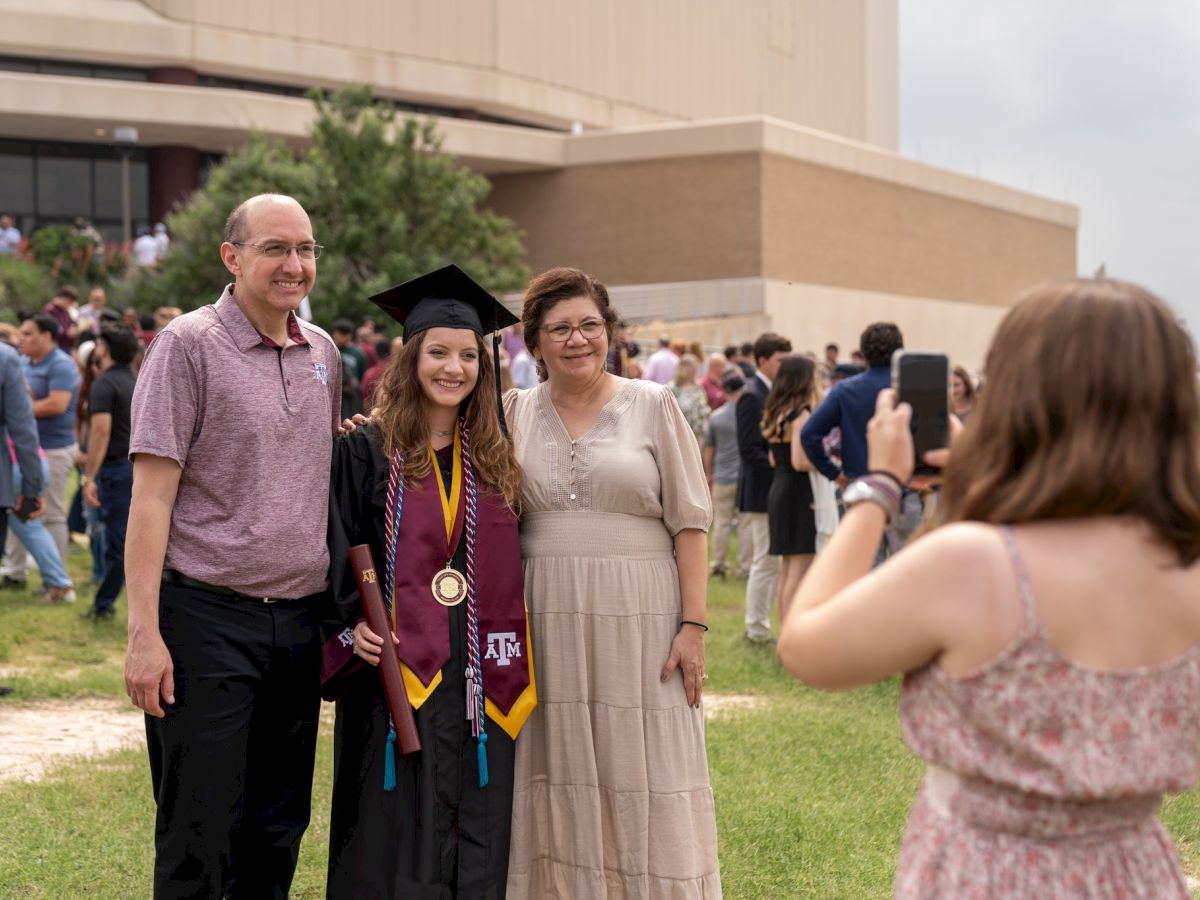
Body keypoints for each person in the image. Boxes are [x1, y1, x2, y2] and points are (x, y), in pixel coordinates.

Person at [779, 278, 1200, 898]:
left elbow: (806, 646)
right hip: (1135, 873)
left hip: (987, 873)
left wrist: (877, 490)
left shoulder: (974, 563)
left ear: (1018, 397)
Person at [125, 192, 342, 897]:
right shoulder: (188, 346)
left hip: (299, 623)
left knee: (277, 828)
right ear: (233, 256)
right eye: (275, 248)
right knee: (200, 829)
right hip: (207, 620)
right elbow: (151, 498)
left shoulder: (324, 355)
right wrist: (144, 635)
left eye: (305, 249)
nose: (294, 264)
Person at [505, 267, 720, 897]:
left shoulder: (652, 405)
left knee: (646, 761)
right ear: (534, 341)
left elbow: (690, 522)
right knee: (555, 757)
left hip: (644, 616)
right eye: (560, 328)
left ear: (611, 332)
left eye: (590, 325)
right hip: (544, 614)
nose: (578, 340)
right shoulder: (511, 412)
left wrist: (694, 626)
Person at [322, 264, 535, 899]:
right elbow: (333, 554)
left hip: (480, 678)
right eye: (438, 352)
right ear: (411, 357)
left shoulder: (497, 455)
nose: (455, 368)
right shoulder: (365, 451)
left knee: (477, 828)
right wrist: (346, 629)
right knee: (388, 831)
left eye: (469, 355)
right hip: (393, 676)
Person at [801, 322, 921, 558]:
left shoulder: (845, 390)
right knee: (906, 570)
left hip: (862, 487)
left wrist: (835, 474)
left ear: (864, 353)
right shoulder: (913, 389)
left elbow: (809, 434)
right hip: (906, 488)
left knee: (865, 570)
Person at [9, 314, 79, 584]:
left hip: (53, 449)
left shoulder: (61, 364)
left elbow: (57, 404)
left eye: (27, 334)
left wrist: (14, 411)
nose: (21, 339)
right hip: (25, 450)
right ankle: (16, 572)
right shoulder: (25, 362)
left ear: (47, 336)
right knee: (17, 509)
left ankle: (57, 576)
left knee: (51, 515)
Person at [736, 331, 792, 643]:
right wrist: (779, 464)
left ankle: (761, 624)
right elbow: (749, 449)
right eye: (780, 360)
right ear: (763, 361)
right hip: (761, 492)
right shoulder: (751, 394)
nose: (784, 366)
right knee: (765, 561)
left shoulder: (771, 392)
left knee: (773, 562)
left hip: (775, 490)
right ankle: (756, 627)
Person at [80, 326, 138, 621]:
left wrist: (88, 476)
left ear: (105, 350)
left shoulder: (104, 385)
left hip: (116, 470)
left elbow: (100, 432)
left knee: (119, 543)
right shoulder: (136, 381)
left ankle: (104, 605)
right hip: (135, 469)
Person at [762, 355, 818, 627]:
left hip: (779, 487)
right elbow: (800, 461)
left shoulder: (776, 412)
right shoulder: (802, 414)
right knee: (800, 568)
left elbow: (775, 459)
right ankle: (792, 634)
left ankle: (786, 632)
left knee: (787, 568)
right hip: (799, 492)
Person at [703, 370, 750, 578]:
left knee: (721, 523)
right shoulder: (749, 414)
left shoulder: (716, 416)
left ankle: (719, 563)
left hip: (722, 475)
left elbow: (709, 448)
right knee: (745, 524)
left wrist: (708, 473)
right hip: (745, 476)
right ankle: (744, 566)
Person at [669, 352, 710, 442]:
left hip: (698, 433)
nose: (696, 371)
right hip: (680, 434)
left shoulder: (698, 386)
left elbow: (704, 405)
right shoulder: (672, 388)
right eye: (693, 368)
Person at [42, 286, 79, 351]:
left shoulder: (65, 310)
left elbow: (71, 323)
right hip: (57, 347)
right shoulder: (50, 310)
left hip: (67, 346)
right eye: (70, 302)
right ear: (64, 298)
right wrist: (67, 333)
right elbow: (50, 329)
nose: (70, 305)